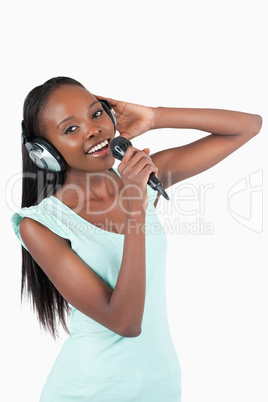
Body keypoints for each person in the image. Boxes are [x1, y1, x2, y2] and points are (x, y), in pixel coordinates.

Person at [11, 76, 262, 401]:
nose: (93, 130)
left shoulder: (141, 180)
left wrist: (155, 117)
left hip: (161, 386)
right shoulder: (40, 225)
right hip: (89, 391)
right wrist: (134, 206)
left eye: (96, 114)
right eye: (70, 129)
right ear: (44, 152)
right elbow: (126, 322)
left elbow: (248, 126)